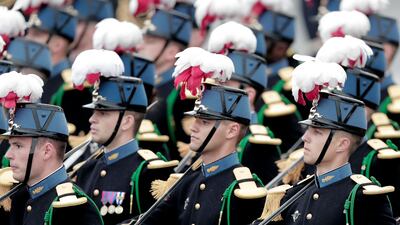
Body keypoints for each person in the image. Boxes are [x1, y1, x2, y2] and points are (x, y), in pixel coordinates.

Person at [251, 60, 395, 225]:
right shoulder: (295, 194)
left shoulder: (364, 199)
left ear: (342, 144)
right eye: (309, 130)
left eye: (317, 132)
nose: (305, 137)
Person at [139, 47, 266, 225]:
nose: (194, 128)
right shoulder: (189, 179)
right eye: (196, 119)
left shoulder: (242, 190)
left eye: (205, 122)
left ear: (232, 130)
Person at [71, 49, 178, 225]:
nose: (92, 119)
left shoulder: (149, 171)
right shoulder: (87, 168)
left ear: (127, 121)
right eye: (94, 112)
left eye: (103, 113)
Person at [0, 71, 103, 225]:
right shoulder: (21, 197)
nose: (8, 155)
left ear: (47, 151)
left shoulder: (73, 209)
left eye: (18, 146)